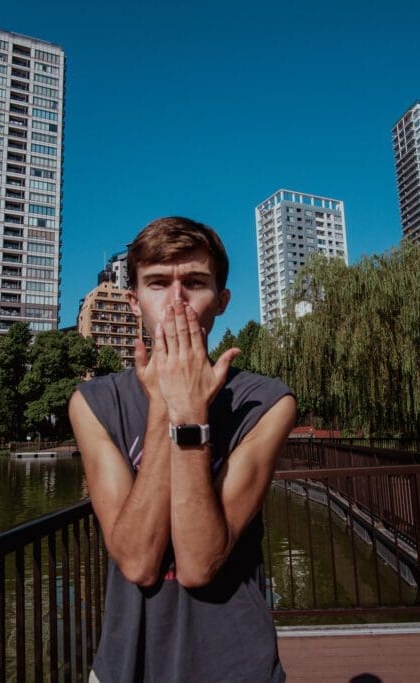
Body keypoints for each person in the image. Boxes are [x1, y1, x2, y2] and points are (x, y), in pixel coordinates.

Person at [69, 216, 297, 682]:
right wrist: (163, 408)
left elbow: (197, 564)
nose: (176, 301)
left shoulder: (268, 402)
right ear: (134, 302)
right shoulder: (93, 403)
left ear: (221, 301)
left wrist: (189, 413)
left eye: (194, 283)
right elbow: (136, 561)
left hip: (236, 665)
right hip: (124, 665)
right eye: (157, 283)